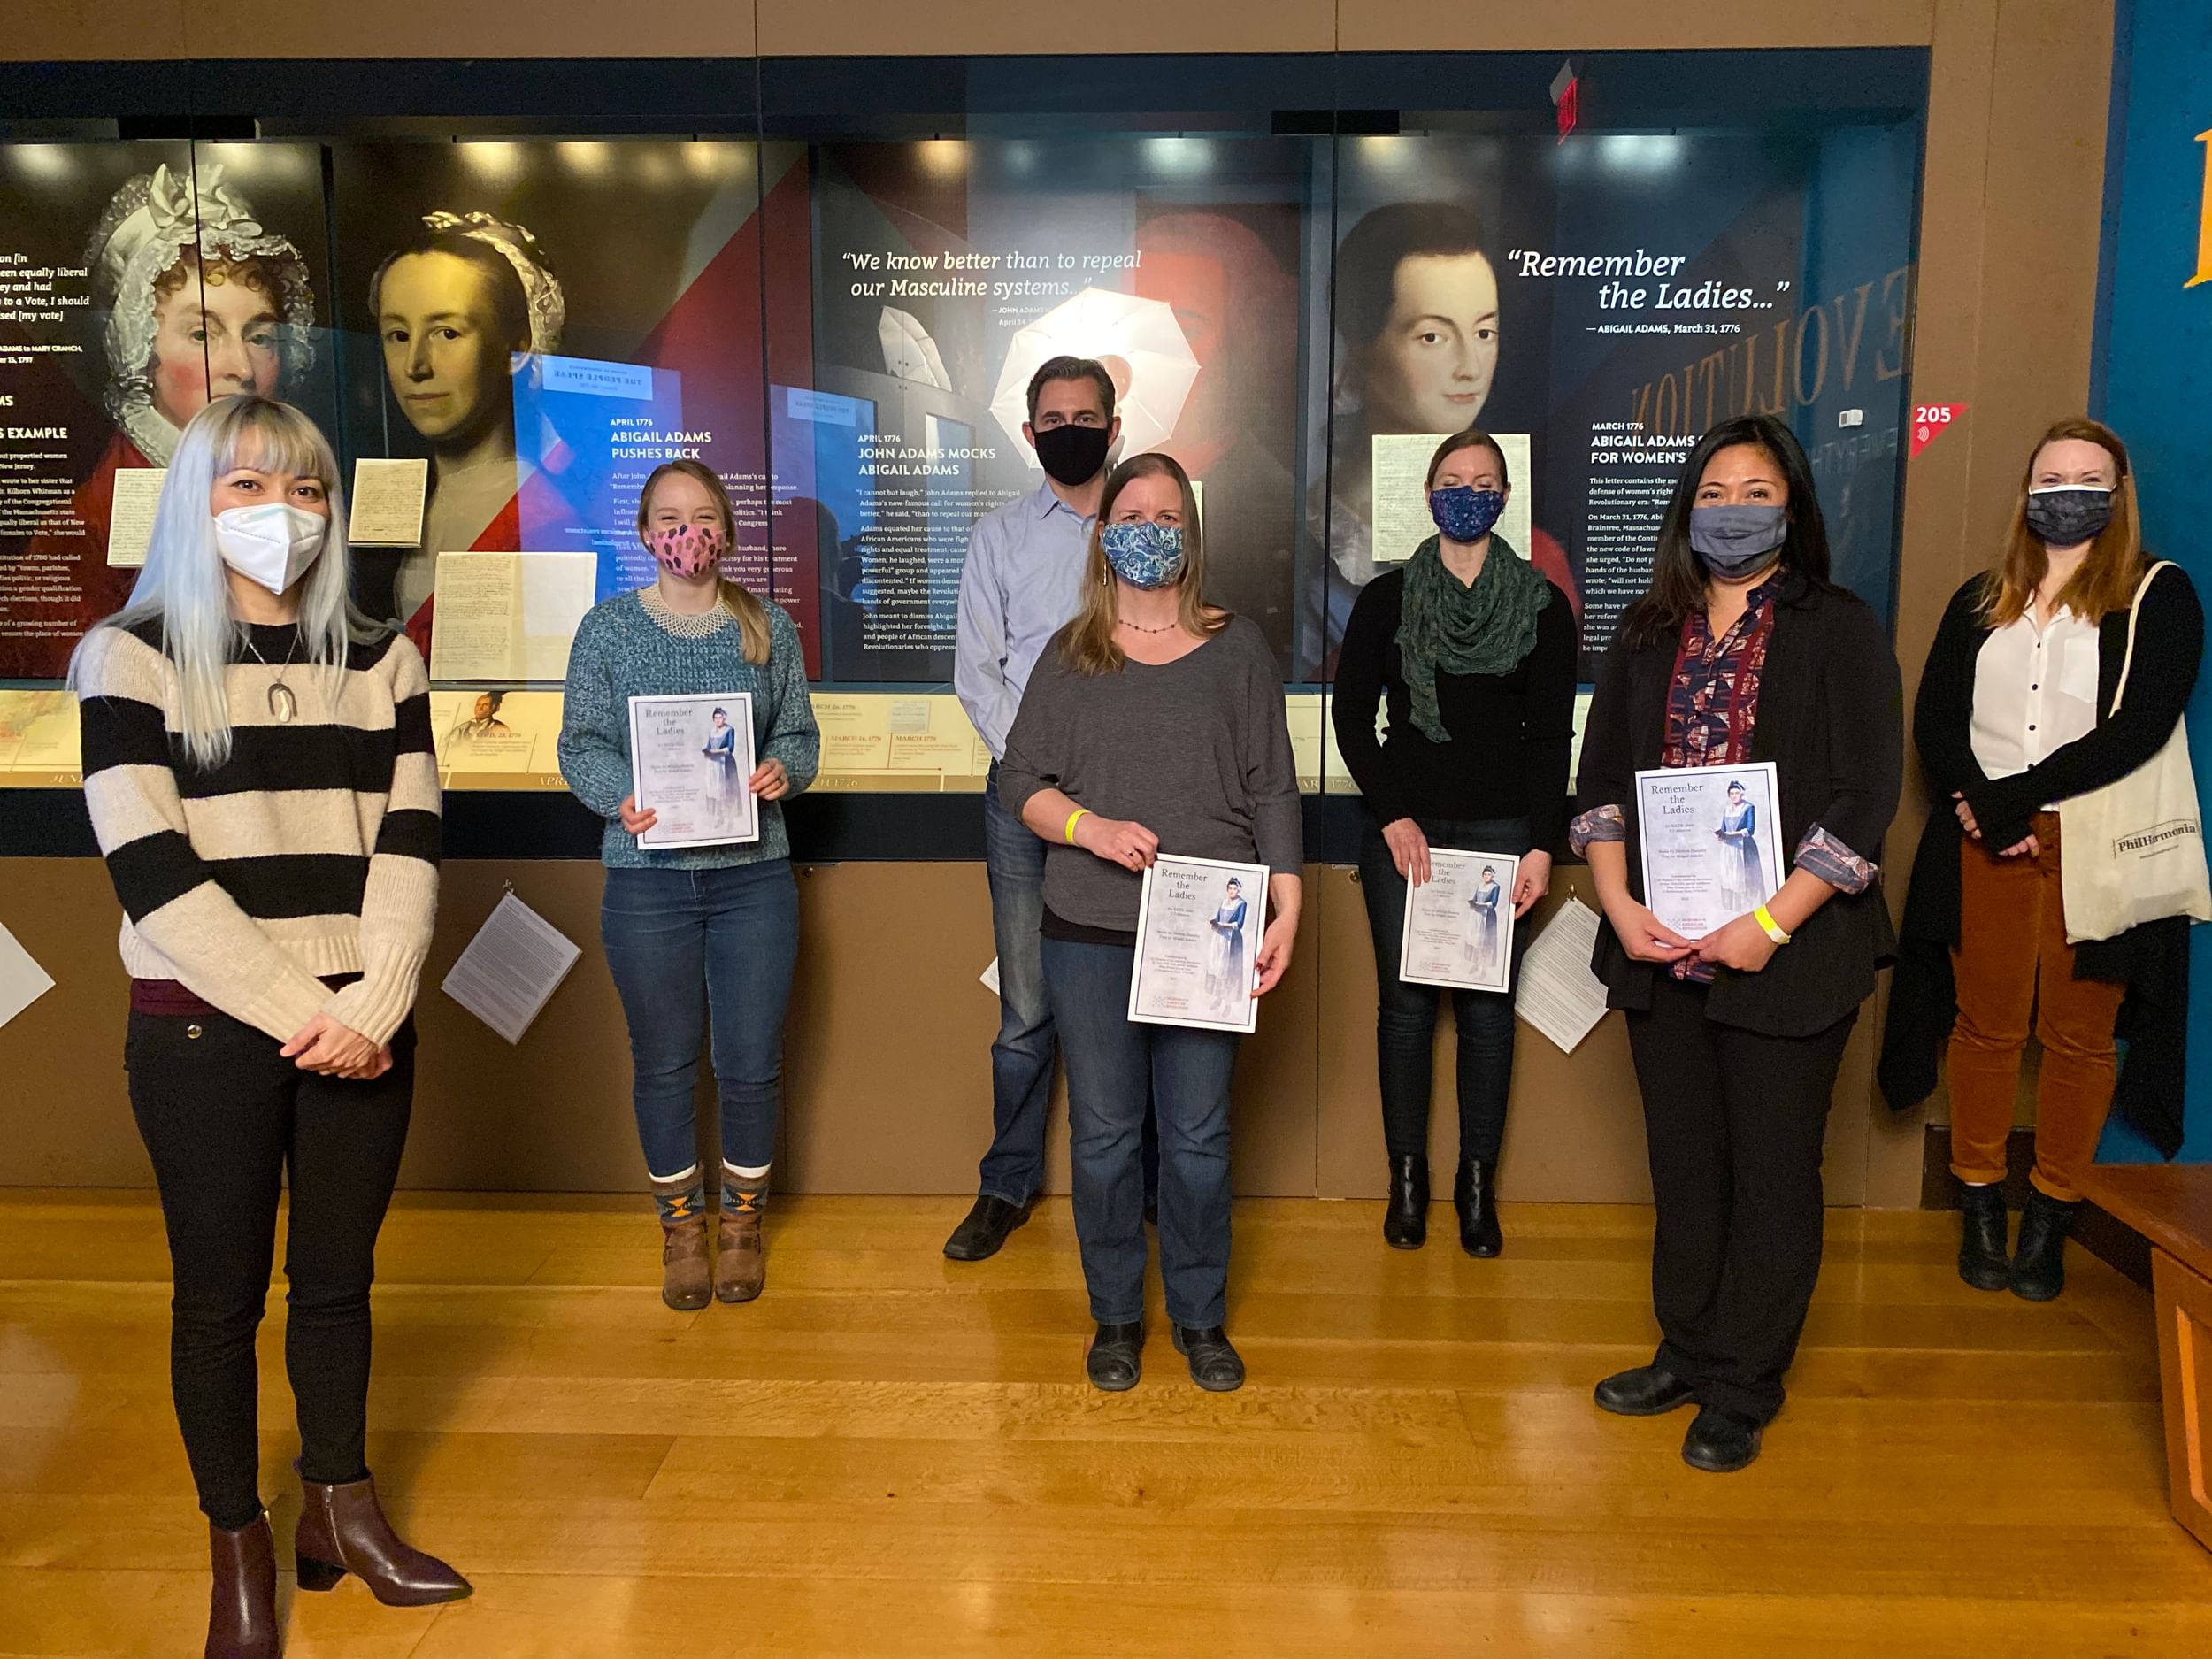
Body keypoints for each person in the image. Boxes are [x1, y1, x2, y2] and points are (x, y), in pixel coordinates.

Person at [70, 396, 465, 1658]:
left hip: (366, 1015)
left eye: (303, 490)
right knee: (219, 1299)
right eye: (245, 487)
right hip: (206, 1029)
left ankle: (337, 1506)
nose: (279, 515)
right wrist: (313, 1012)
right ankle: (237, 1540)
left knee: (339, 1284)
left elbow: (410, 837)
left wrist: (380, 998)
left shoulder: (377, 653)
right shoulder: (128, 657)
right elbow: (153, 875)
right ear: (194, 503)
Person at [1571, 413, 1901, 1473]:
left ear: (1791, 507)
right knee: (1687, 1165)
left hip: (1790, 952)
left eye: (1757, 490)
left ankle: (1741, 1384)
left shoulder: (1839, 627)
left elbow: (1865, 795)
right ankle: (1686, 1348)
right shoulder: (1642, 630)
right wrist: (1620, 909)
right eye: (1715, 490)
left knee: (1770, 1171)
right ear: (1687, 506)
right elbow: (1599, 788)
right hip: (1659, 946)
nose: (1734, 509)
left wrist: (1767, 923)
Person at [998, 450, 1302, 1393]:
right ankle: (1117, 1316)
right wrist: (1092, 829)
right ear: (1105, 531)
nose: (1151, 531)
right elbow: (1022, 787)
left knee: (1202, 1137)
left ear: (1191, 533)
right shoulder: (1069, 652)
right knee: (1102, 1136)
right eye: (1134, 514)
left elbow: (1274, 788)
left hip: (1207, 931)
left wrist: (1287, 899)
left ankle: (1201, 1317)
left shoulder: (1238, 647)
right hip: (1088, 929)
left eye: (1170, 517)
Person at [1880, 419, 2202, 1301]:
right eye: (2049, 476)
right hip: (1982, 840)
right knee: (1983, 1026)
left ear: (2117, 491)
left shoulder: (2154, 598)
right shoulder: (1979, 597)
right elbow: (1936, 722)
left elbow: (2138, 728)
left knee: (2079, 1037)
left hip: (2090, 843)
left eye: (2085, 476)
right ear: (2026, 494)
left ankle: (2053, 1213)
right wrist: (1981, 803)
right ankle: (1980, 1200)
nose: (2065, 491)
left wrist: (2013, 795)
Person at [558, 459, 820, 1310]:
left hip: (753, 878)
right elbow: (580, 743)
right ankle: (680, 1229)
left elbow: (801, 735)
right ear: (643, 534)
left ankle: (741, 1223)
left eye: (703, 516)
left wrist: (785, 767)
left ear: (727, 532)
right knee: (665, 1063)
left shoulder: (766, 625)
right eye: (669, 518)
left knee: (750, 1062)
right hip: (647, 880)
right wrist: (617, 796)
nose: (686, 533)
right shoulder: (604, 631)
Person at [1331, 428, 1576, 1256]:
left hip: (1505, 836)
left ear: (1505, 498)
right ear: (1429, 494)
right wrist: (1393, 812)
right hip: (1408, 835)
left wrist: (1543, 846)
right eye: (1452, 479)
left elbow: (1550, 740)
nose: (1467, 491)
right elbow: (1351, 721)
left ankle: (1478, 1187)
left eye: (1483, 480)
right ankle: (1408, 1181)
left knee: (1487, 1014)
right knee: (1402, 1010)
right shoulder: (1385, 601)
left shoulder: (1543, 606)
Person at [949, 355, 1158, 1261]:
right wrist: (1040, 781)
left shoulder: (1150, 531)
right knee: (1027, 1008)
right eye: (1051, 416)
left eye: (1086, 415)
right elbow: (977, 677)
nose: (1068, 428)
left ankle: (1147, 1182)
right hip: (1024, 808)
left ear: (1114, 429)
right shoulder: (997, 538)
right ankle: (1007, 1183)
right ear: (1029, 432)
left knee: (1141, 997)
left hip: (1139, 802)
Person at [19, 162, 315, 673]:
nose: (241, 369)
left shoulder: (290, 483)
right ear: (139, 350)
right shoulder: (82, 533)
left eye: (260, 337)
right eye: (203, 335)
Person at [1305, 203, 1582, 671]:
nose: (1470, 367)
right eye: (1433, 336)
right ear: (1362, 345)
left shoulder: (1534, 553)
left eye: (1484, 332)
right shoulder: (1309, 529)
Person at [368, 211, 571, 654]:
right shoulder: (387, 499)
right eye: (398, 335)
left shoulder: (553, 514)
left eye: (447, 332)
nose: (415, 366)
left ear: (515, 350)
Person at [1715, 781, 1762, 913]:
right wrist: (1721, 835)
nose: (1734, 796)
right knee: (1729, 875)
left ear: (1742, 793)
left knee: (1744, 876)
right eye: (1732, 793)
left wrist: (1731, 835)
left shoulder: (1748, 807)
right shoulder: (1727, 809)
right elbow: (1723, 828)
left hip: (1744, 847)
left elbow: (1750, 830)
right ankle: (1731, 907)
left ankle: (1746, 908)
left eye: (1737, 793)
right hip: (1729, 848)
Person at [1205, 876, 1249, 1015]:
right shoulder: (1223, 902)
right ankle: (1218, 997)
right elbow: (1218, 917)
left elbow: (1239, 924)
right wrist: (1215, 925)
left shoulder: (1241, 904)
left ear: (1239, 890)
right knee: (1218, 968)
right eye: (1230, 888)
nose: (1232, 891)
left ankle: (1228, 1003)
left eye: (1235, 888)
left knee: (1230, 971)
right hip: (1220, 939)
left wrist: (1223, 926)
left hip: (1232, 941)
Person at [447, 688, 512, 742]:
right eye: (478, 705)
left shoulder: (500, 728)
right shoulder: (462, 728)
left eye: (485, 705)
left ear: (495, 708)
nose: (480, 709)